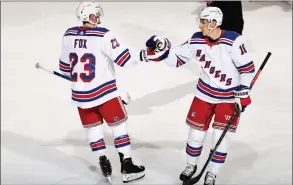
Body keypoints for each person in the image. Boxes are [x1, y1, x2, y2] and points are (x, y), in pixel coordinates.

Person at [144, 6, 255, 185]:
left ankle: (212, 173)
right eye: (201, 21)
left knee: (221, 138)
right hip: (204, 94)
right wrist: (162, 49)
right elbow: (176, 60)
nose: (200, 25)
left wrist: (243, 91)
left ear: (214, 23)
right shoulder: (196, 40)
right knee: (195, 134)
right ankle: (191, 165)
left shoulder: (234, 41)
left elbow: (247, 69)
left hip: (227, 97)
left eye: (203, 22)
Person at [58, 1, 166, 183]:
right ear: (89, 16)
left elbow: (63, 68)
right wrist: (145, 55)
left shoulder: (68, 35)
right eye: (95, 15)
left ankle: (103, 162)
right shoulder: (103, 35)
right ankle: (127, 165)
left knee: (93, 129)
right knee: (119, 127)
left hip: (81, 96)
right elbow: (125, 58)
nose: (98, 18)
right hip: (104, 93)